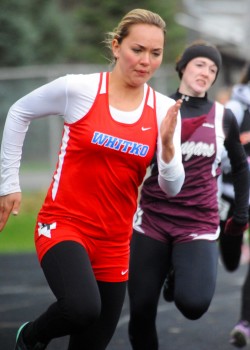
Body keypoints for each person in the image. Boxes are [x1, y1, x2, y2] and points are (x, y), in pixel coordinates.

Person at [0, 9, 185, 350]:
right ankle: (30, 337)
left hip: (115, 242)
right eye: (137, 49)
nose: (145, 61)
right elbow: (18, 112)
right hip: (64, 225)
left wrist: (170, 145)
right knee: (82, 307)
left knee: (90, 342)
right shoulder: (79, 88)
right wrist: (8, 184)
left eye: (155, 53)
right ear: (116, 47)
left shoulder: (163, 110)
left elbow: (173, 187)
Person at [127, 40, 249, 350]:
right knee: (141, 310)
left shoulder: (224, 116)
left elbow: (240, 167)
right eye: (199, 64)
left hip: (198, 222)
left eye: (212, 69)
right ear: (183, 67)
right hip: (153, 219)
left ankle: (175, 273)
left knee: (193, 305)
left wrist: (242, 212)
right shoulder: (155, 107)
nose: (206, 72)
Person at [219, 62, 250, 347]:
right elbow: (218, 156)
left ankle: (245, 323)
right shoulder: (238, 109)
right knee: (229, 261)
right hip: (232, 197)